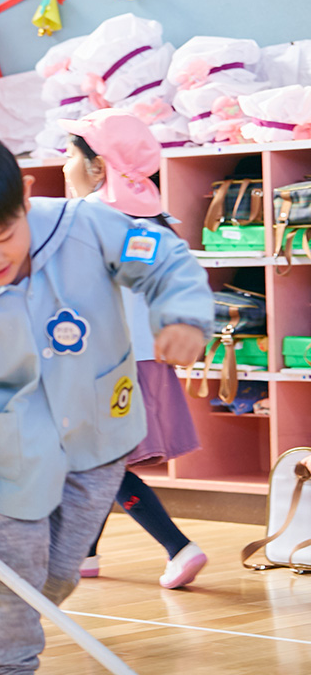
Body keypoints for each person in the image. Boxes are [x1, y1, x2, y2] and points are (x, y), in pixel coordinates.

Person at [0, 129, 212, 675]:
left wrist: (181, 315)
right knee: (19, 574)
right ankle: (11, 666)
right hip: (15, 458)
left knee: (59, 576)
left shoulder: (84, 225)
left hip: (100, 439)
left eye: (2, 235)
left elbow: (162, 259)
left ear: (24, 195)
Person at [59, 109, 207, 589]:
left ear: (97, 166)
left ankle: (178, 546)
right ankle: (84, 553)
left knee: (98, 460)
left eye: (70, 154)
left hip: (102, 362)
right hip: (146, 360)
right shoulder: (155, 219)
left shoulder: (85, 219)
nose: (64, 165)